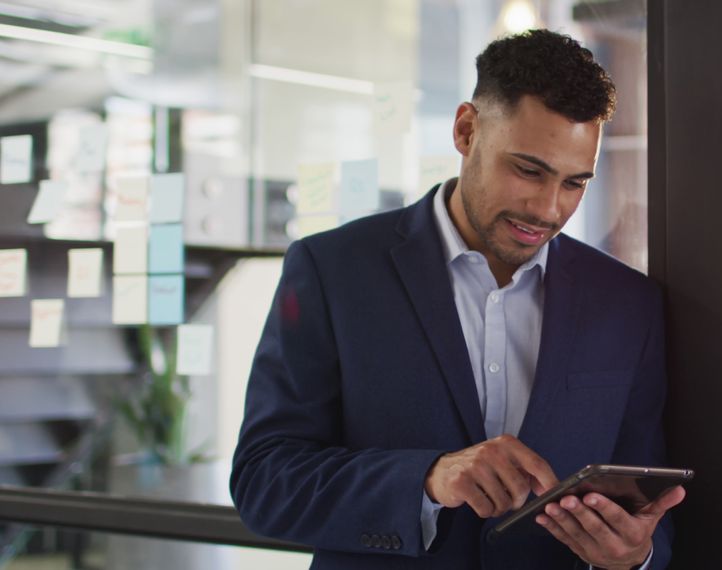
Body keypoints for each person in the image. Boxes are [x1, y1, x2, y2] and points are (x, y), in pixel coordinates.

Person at [230, 29, 684, 570]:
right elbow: (264, 480)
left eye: (574, 183)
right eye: (528, 170)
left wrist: (636, 555)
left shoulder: (628, 304)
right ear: (466, 130)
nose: (547, 208)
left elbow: (650, 507)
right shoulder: (333, 270)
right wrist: (427, 478)